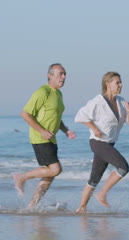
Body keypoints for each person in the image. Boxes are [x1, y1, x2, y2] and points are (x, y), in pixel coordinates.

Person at [13, 63, 76, 207]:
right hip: (40, 138)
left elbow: (56, 117)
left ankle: (33, 205)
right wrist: (42, 131)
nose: (64, 77)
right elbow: (25, 114)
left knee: (50, 174)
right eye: (60, 74)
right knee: (55, 169)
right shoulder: (42, 92)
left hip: (51, 139)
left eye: (65, 74)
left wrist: (66, 130)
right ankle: (21, 177)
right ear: (50, 75)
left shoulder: (58, 93)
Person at [74, 72, 129, 213]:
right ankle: (102, 193)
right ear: (108, 84)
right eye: (117, 82)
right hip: (98, 142)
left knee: (94, 179)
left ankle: (81, 208)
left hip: (109, 143)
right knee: (123, 168)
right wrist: (94, 128)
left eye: (121, 82)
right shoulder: (98, 101)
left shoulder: (121, 101)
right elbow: (80, 116)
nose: (121, 85)